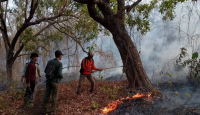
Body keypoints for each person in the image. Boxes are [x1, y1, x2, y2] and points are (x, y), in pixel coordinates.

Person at [42, 50, 63, 114]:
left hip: (48, 81)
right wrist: (61, 77)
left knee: (46, 94)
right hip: (55, 82)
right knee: (54, 95)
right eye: (61, 55)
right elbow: (59, 74)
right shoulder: (59, 64)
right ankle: (53, 110)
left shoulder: (49, 62)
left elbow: (45, 71)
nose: (61, 56)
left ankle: (43, 108)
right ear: (59, 56)